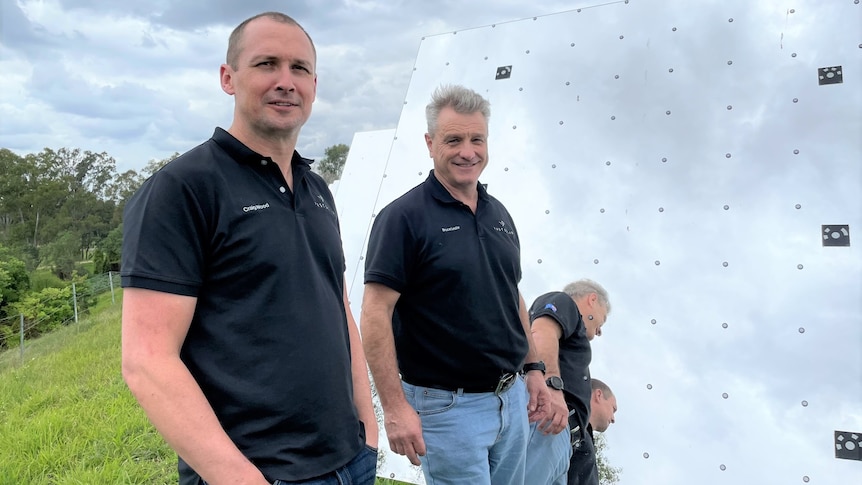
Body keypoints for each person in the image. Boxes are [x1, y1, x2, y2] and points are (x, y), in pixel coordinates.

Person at [120, 12, 377, 485]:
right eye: (266, 64)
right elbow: (147, 360)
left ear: (315, 85)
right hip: (259, 473)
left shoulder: (318, 189)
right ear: (228, 78)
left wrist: (368, 429)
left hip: (349, 461)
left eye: (299, 68)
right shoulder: (183, 189)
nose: (285, 81)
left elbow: (338, 307)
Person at [360, 84, 551, 485]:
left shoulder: (498, 213)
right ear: (430, 143)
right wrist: (394, 408)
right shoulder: (403, 219)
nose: (468, 151)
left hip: (512, 398)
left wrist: (534, 368)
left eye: (476, 139)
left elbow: (510, 295)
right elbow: (376, 313)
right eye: (454, 140)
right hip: (447, 408)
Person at [524, 279, 611, 485]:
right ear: (592, 299)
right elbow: (541, 332)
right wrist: (551, 385)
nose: (600, 330)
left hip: (561, 438)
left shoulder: (572, 331)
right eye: (603, 319)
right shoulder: (563, 302)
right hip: (547, 421)